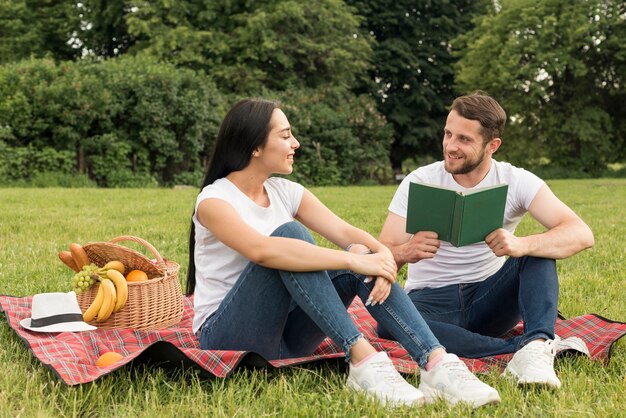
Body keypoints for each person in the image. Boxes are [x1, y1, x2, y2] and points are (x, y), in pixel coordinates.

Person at [187, 98, 500, 408]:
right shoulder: (214, 201)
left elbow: (347, 233)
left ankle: (436, 362)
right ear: (254, 146)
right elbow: (263, 251)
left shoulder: (286, 192)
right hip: (229, 338)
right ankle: (363, 360)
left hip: (287, 340)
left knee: (358, 250)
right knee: (293, 237)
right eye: (285, 135)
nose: (295, 143)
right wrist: (356, 259)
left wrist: (380, 258)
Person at [378, 92, 595, 389]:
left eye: (464, 139)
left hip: (488, 299)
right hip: (430, 303)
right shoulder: (420, 180)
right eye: (448, 134)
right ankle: (521, 349)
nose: (450, 146)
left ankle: (536, 346)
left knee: (539, 250)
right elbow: (381, 252)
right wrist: (405, 251)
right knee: (387, 322)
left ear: (492, 146)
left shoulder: (516, 180)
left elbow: (581, 233)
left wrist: (522, 244)